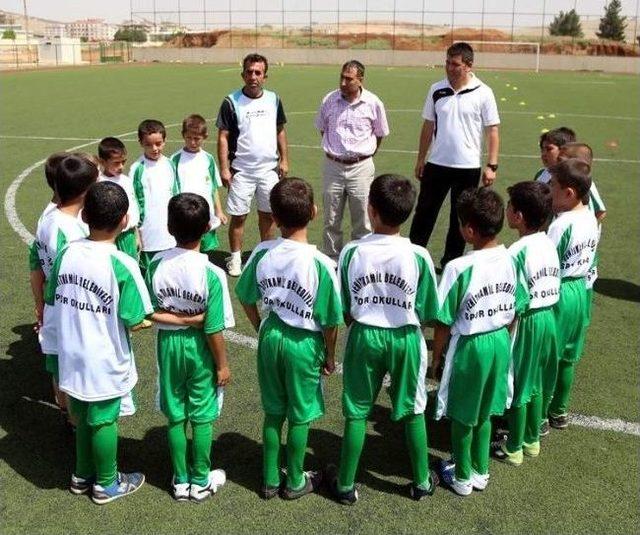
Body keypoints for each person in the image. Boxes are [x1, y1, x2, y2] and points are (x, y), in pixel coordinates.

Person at [329, 174, 439, 505]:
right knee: (413, 408)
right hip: (405, 335)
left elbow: (343, 307)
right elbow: (428, 311)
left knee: (357, 411)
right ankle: (421, 481)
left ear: (370, 209)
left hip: (364, 334)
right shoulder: (419, 255)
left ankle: (345, 484)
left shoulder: (351, 252)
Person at [44, 181, 152, 504]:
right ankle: (106, 483)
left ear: (85, 216)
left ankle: (81, 474)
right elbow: (136, 318)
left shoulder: (67, 252)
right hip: (102, 356)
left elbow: (52, 296)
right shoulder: (122, 264)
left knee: (80, 415)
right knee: (105, 418)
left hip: (69, 352)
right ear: (124, 222)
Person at [235, 177, 342, 500]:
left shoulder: (262, 251)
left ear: (275, 218)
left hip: (271, 334)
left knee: (273, 411)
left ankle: (269, 478)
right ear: (314, 212)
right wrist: (329, 355)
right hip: (303, 343)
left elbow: (244, 295)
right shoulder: (321, 263)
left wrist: (260, 327)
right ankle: (295, 480)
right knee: (300, 415)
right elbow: (331, 322)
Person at [432, 187, 528, 496]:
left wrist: (437, 356)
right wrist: (504, 334)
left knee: (462, 415)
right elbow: (518, 307)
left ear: (469, 230)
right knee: (486, 412)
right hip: (500, 340)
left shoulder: (459, 267)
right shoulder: (512, 259)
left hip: (471, 345)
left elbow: (443, 319)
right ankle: (480, 471)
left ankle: (461, 478)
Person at [146, 193, 235, 502]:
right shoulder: (212, 273)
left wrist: (175, 320)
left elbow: (145, 311)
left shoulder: (155, 263)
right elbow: (212, 327)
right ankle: (200, 480)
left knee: (175, 414)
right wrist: (222, 364)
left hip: (167, 345)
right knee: (202, 414)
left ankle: (180, 480)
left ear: (169, 227)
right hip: (200, 350)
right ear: (209, 228)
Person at [409, 42, 500, 270]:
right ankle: (414, 257)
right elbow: (428, 126)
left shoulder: (484, 92)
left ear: (469, 65)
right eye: (447, 62)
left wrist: (492, 165)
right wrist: (421, 159)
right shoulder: (436, 89)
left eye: (455, 64)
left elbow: (492, 131)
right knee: (424, 213)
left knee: (459, 219)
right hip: (437, 164)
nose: (449, 68)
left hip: (467, 167)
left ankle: (450, 262)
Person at [493, 181, 560, 465]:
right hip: (549, 317)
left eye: (509, 207)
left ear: (518, 216)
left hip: (528, 321)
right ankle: (532, 440)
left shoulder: (515, 252)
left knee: (519, 381)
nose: (506, 211)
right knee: (535, 381)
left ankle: (514, 447)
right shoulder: (548, 242)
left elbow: (513, 301)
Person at [31, 154, 98, 424]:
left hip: (54, 305)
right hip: (70, 310)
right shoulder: (70, 232)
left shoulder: (48, 219)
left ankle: (67, 411)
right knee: (75, 371)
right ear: (85, 191)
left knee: (61, 365)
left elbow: (36, 262)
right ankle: (76, 422)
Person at [216, 53, 289, 277]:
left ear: (265, 76)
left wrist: (284, 159)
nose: (253, 76)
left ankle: (264, 256)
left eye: (258, 72)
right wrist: (225, 168)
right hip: (242, 170)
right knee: (239, 217)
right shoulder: (231, 101)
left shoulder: (274, 99)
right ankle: (236, 258)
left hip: (268, 169)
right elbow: (223, 137)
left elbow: (280, 130)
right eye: (249, 72)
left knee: (268, 215)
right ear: (243, 74)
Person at [543, 158, 599, 432]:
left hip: (561, 292)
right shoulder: (590, 217)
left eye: (552, 186)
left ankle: (538, 417)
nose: (549, 191)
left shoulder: (560, 225)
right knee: (568, 357)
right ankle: (559, 411)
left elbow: (547, 264)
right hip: (581, 290)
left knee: (547, 357)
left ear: (569, 193)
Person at [315, 60, 390, 261]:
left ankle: (360, 259)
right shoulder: (329, 100)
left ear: (360, 80)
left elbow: (380, 133)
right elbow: (323, 128)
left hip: (361, 167)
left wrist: (364, 155)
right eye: (342, 77)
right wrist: (337, 153)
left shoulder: (373, 103)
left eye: (349, 79)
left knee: (363, 218)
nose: (343, 82)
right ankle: (332, 258)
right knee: (331, 218)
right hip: (333, 166)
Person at [556, 142, 606, 325]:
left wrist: (585, 233)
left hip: (578, 262)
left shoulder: (587, 186)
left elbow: (601, 211)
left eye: (561, 160)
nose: (557, 162)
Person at [170, 114, 226, 253]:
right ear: (183, 135)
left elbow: (213, 187)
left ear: (205, 137)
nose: (193, 142)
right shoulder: (175, 160)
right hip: (184, 212)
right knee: (185, 247)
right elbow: (171, 189)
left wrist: (219, 210)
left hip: (206, 212)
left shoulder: (208, 159)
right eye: (189, 138)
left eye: (197, 139)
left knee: (206, 247)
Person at [130, 119, 180, 273]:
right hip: (148, 235)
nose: (154, 148)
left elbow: (177, 194)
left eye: (158, 143)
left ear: (165, 141)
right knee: (149, 275)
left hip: (170, 234)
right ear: (141, 143)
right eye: (149, 144)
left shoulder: (170, 164)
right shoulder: (137, 169)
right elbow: (133, 203)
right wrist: (136, 233)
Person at [98, 137, 140, 259]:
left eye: (123, 162)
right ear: (103, 162)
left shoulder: (127, 181)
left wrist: (136, 235)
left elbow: (132, 209)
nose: (121, 166)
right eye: (116, 163)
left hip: (128, 236)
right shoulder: (98, 183)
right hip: (107, 237)